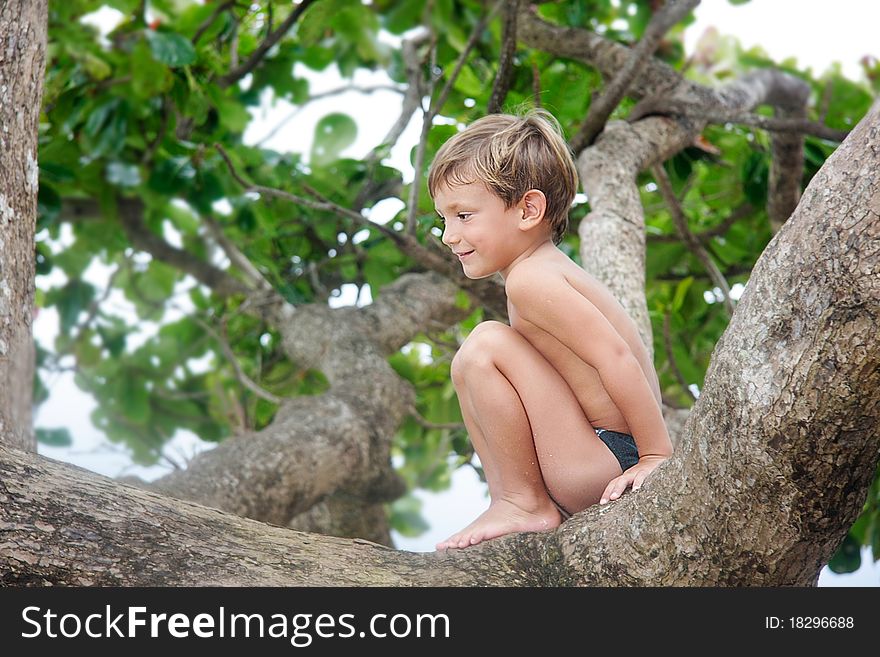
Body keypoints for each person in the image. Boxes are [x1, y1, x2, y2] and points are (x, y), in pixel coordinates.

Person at [427, 109, 674, 551]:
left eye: (463, 215)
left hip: (611, 456)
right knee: (470, 363)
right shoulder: (540, 272)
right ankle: (512, 499)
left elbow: (615, 357)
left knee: (485, 345)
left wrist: (656, 456)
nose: (448, 235)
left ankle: (522, 501)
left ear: (528, 209)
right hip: (593, 453)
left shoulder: (532, 279)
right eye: (444, 219)